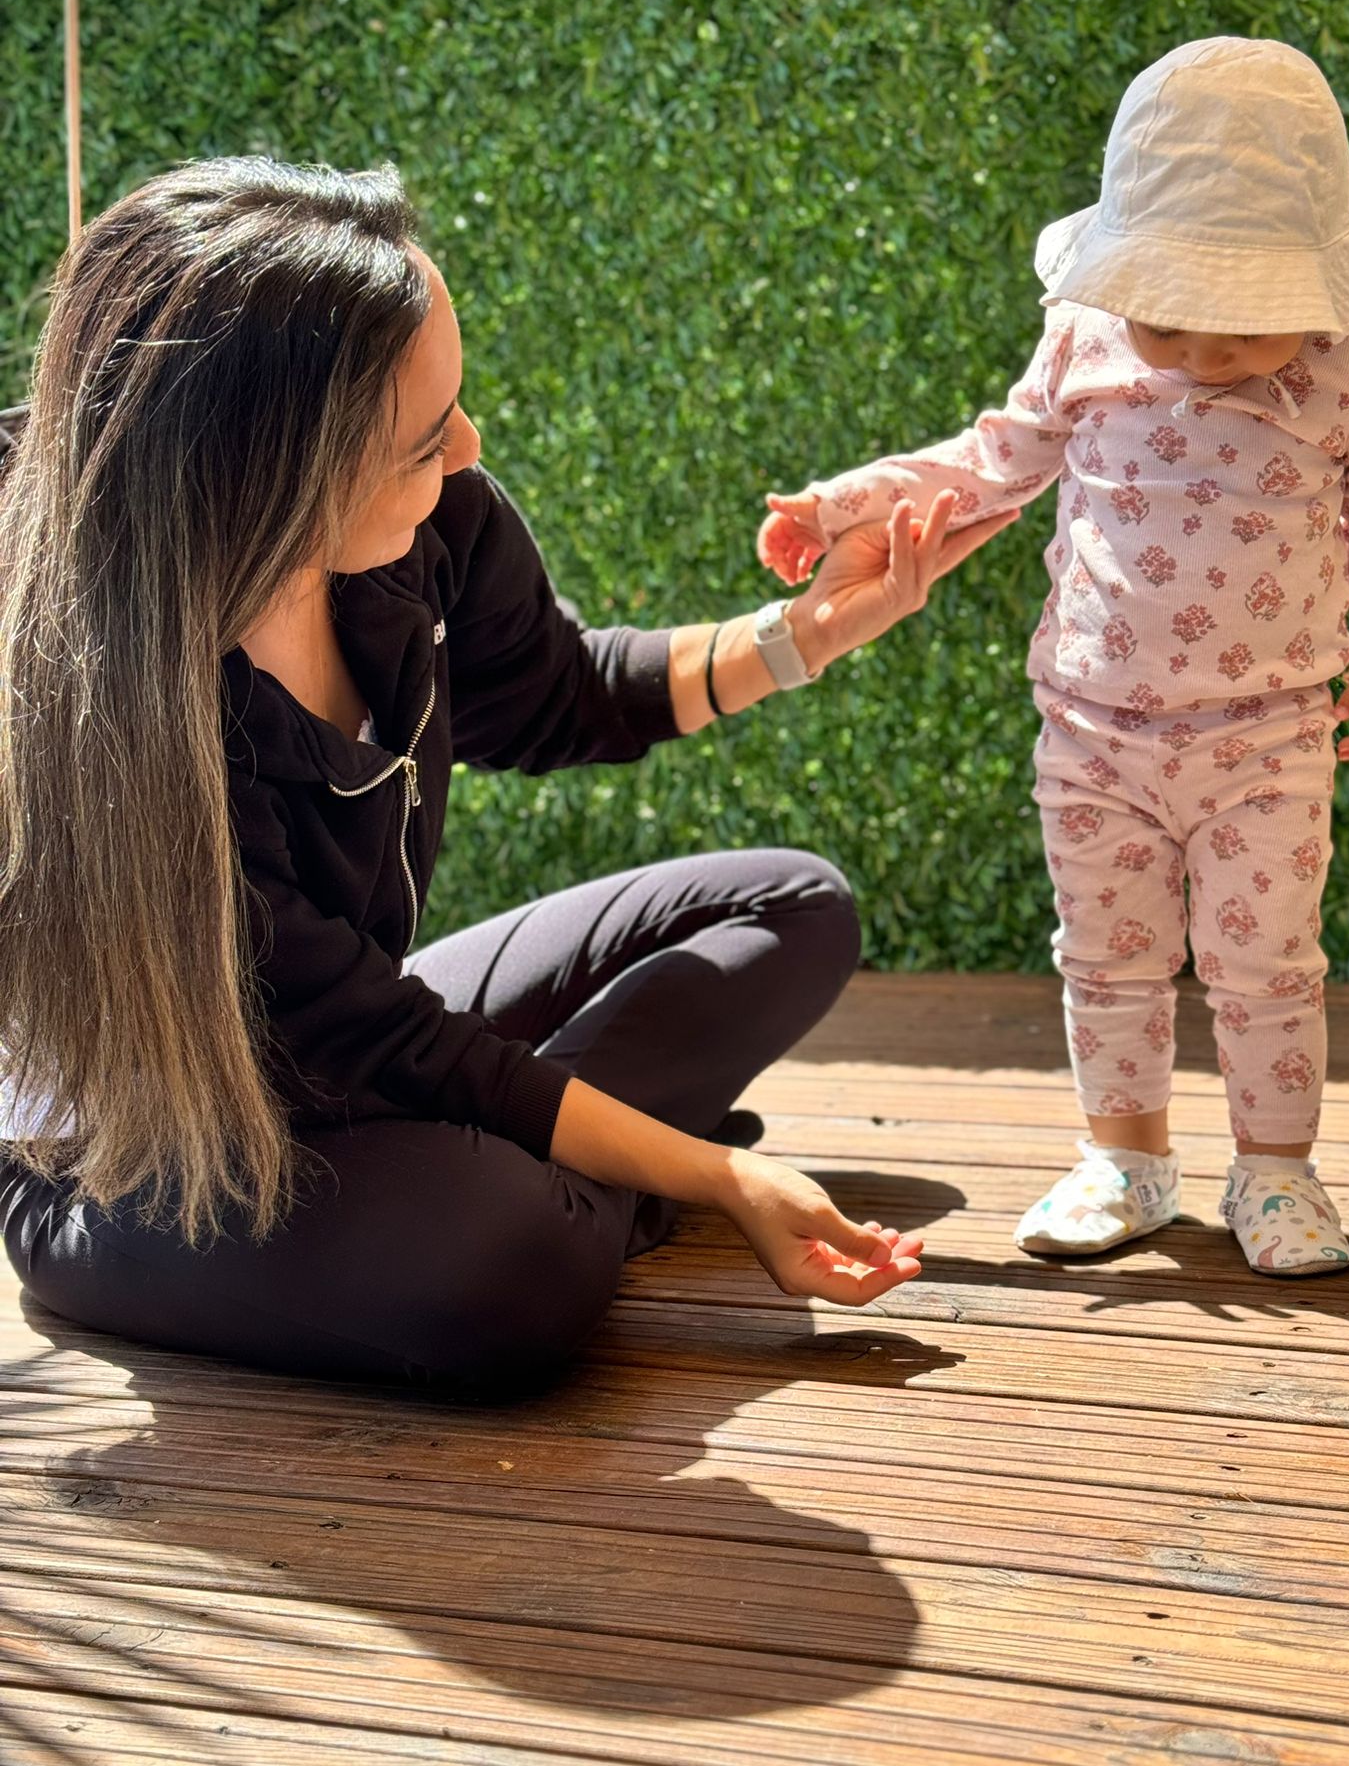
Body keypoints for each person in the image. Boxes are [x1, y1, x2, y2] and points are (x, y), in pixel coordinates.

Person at [0, 157, 1017, 1388]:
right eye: (427, 438)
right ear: (266, 476)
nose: (470, 449)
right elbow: (363, 1034)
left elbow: (558, 693)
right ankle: (576, 1186)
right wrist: (715, 1169)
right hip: (144, 1151)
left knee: (791, 909)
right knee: (512, 1264)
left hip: (362, 1046)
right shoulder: (113, 702)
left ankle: (567, 1177)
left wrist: (807, 631)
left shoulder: (427, 529)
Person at [759, 37, 1349, 1277]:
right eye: (1163, 313)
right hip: (1093, 723)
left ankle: (1277, 1170)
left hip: (1269, 729)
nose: (1191, 351)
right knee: (1106, 953)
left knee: (1267, 961)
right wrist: (843, 505)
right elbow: (991, 463)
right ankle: (1127, 1159)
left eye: (1233, 323)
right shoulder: (1083, 342)